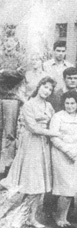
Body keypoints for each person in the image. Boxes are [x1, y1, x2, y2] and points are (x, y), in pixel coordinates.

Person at [0, 77, 59, 228]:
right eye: (45, 87)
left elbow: (54, 122)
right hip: (31, 144)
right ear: (39, 86)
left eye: (50, 89)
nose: (47, 91)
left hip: (43, 145)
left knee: (40, 181)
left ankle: (31, 217)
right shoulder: (28, 105)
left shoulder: (49, 106)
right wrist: (52, 133)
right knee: (27, 180)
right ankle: (6, 211)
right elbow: (32, 127)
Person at [50, 90, 77, 228]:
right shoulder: (57, 117)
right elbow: (54, 137)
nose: (70, 106)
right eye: (67, 103)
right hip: (61, 154)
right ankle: (59, 219)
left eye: (73, 103)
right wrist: (67, 150)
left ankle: (65, 219)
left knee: (71, 189)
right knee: (65, 188)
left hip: (76, 155)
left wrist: (76, 150)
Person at [0, 34, 26, 175]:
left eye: (12, 40)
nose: (8, 43)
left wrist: (3, 72)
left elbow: (20, 75)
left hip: (12, 98)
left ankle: (8, 166)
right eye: (6, 40)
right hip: (0, 95)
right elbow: (14, 74)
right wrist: (12, 73)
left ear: (16, 42)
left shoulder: (21, 58)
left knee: (9, 133)